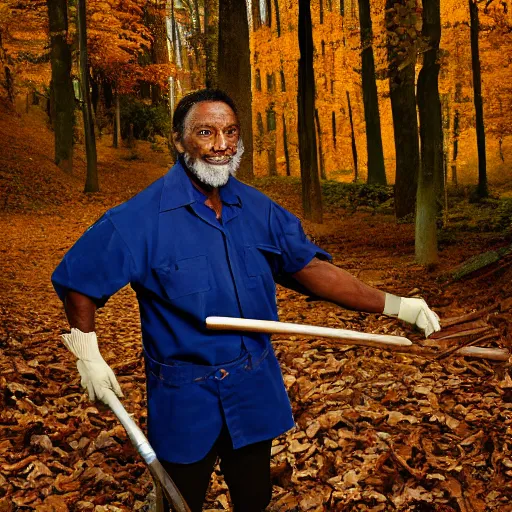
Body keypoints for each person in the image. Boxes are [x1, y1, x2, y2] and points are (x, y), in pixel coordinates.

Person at [52, 89, 441, 511]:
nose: (220, 145)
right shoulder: (139, 218)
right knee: (179, 502)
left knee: (254, 499)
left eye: (230, 132)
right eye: (205, 132)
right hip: (185, 396)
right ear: (179, 141)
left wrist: (398, 305)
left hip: (254, 387)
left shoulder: (258, 209)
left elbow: (309, 270)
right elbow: (79, 280)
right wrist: (87, 353)